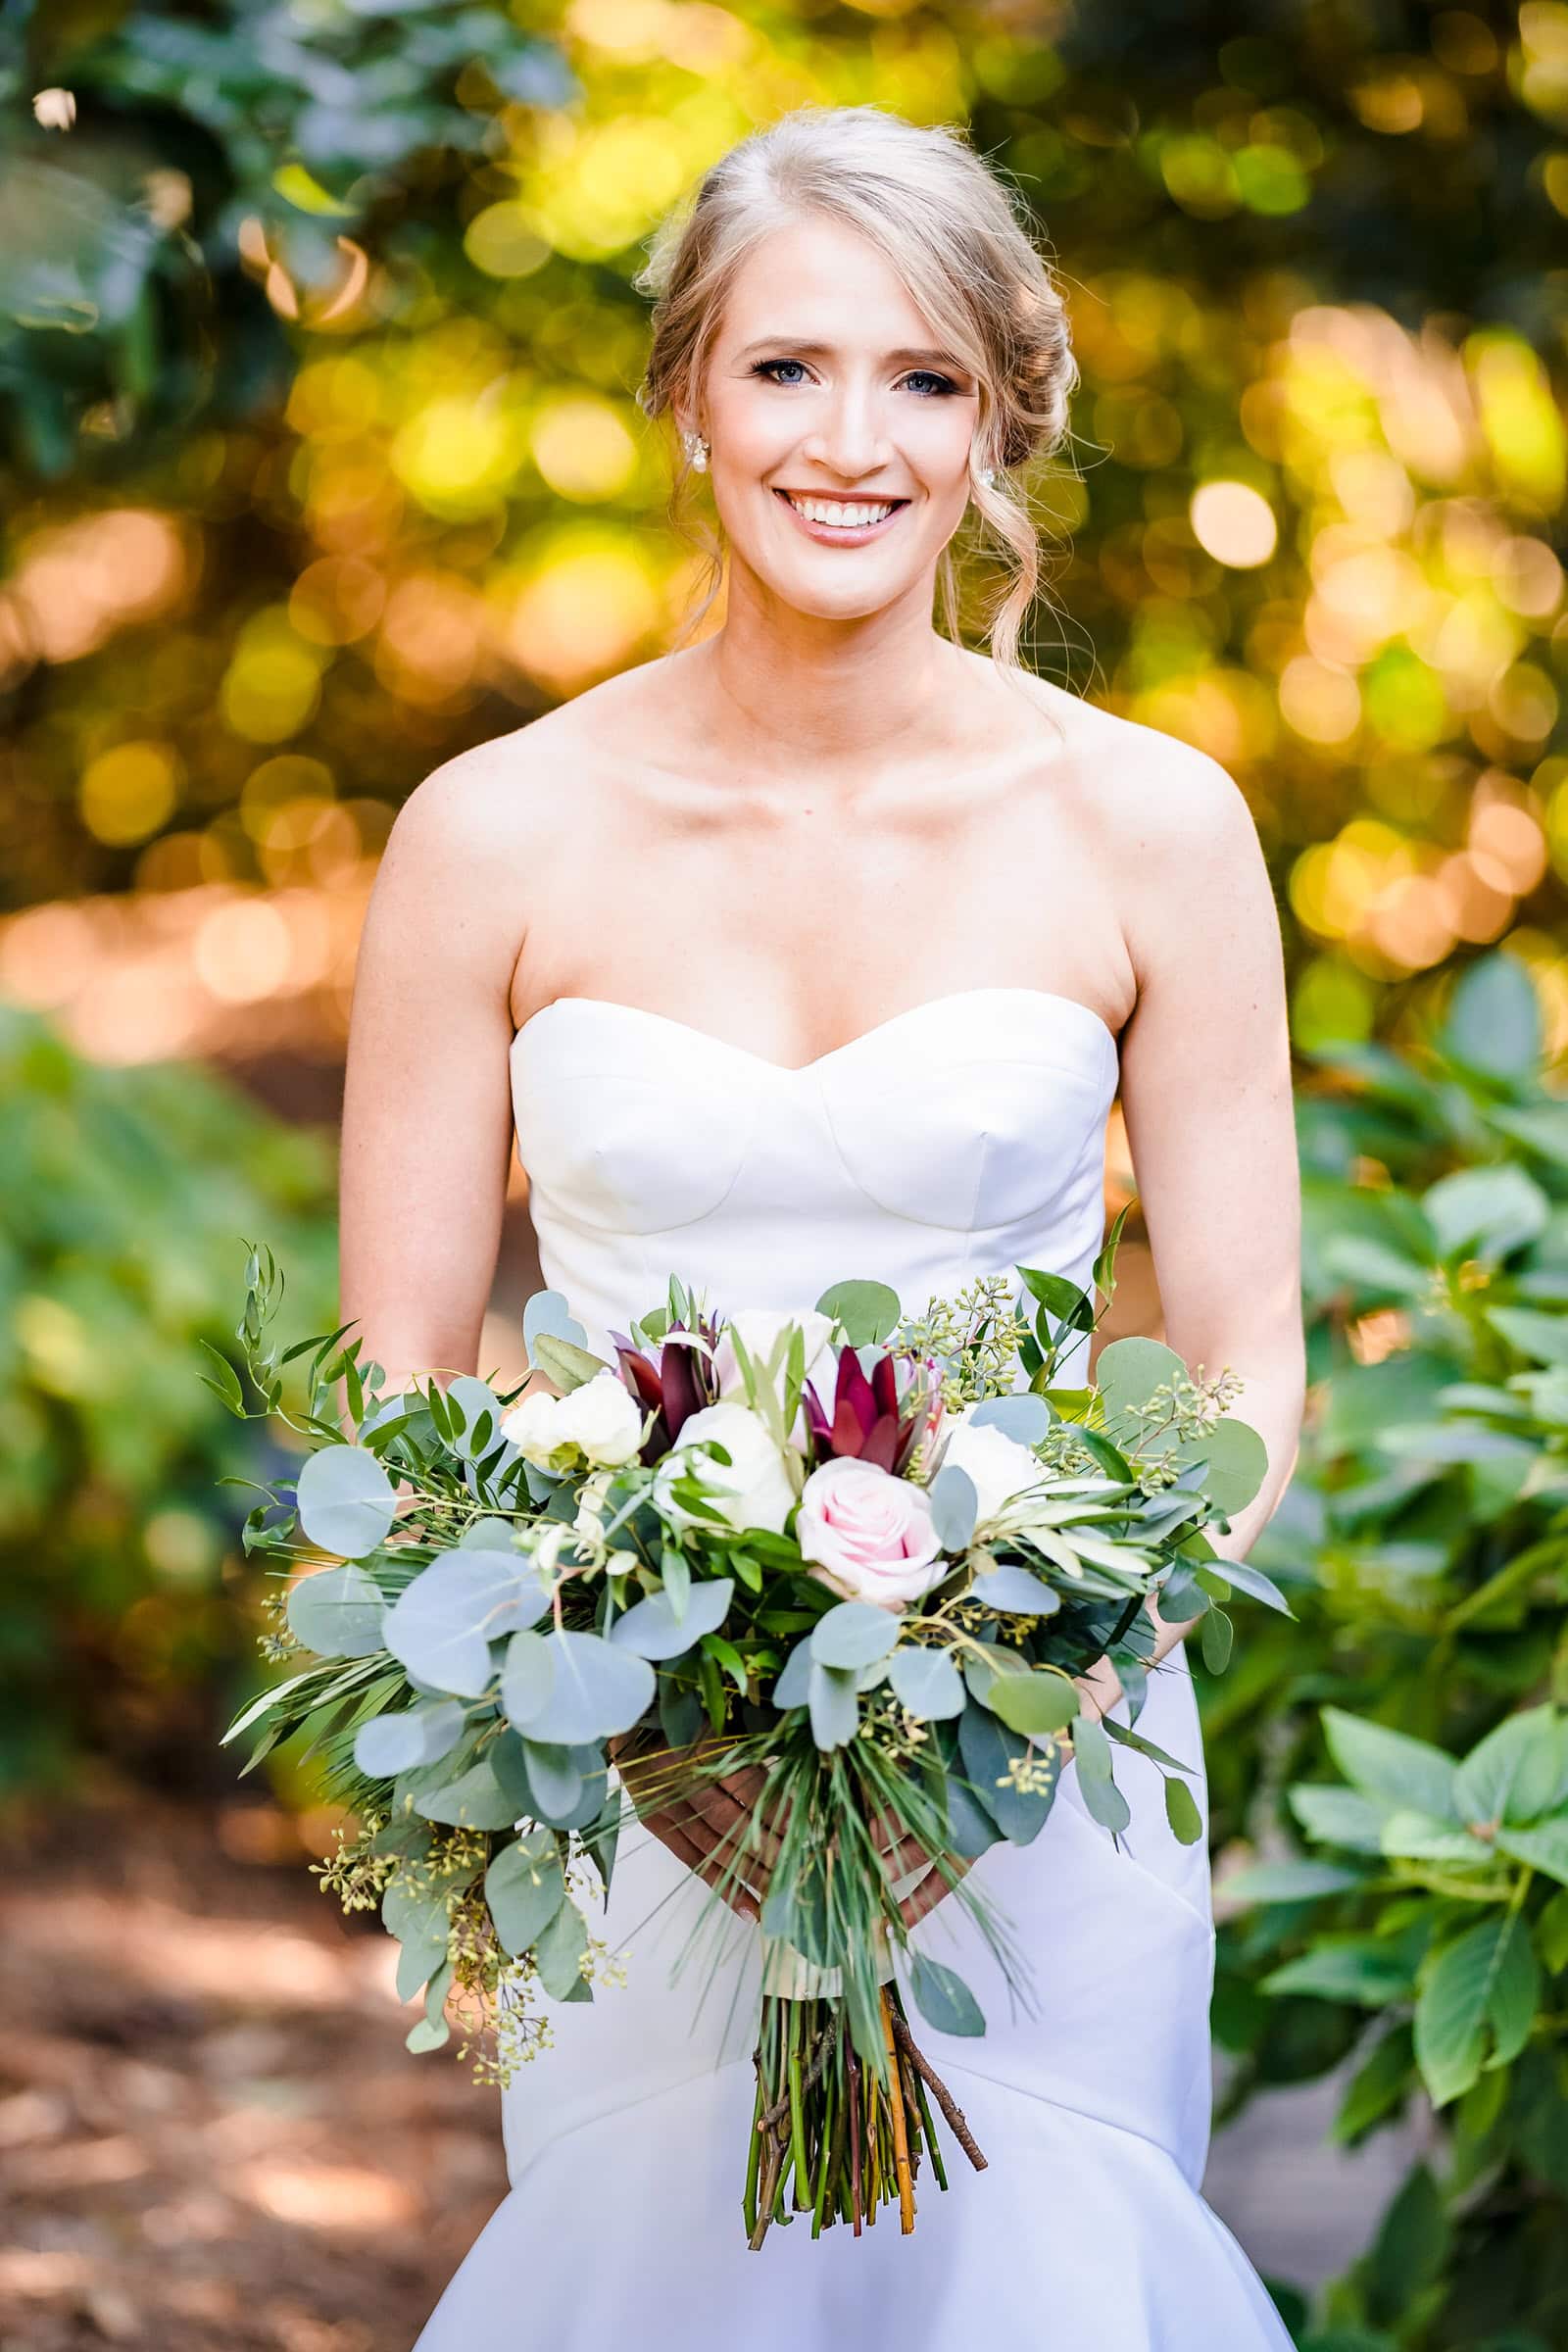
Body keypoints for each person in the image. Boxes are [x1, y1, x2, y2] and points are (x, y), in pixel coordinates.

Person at [339, 102, 1305, 2351]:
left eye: (920, 379)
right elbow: (398, 1375)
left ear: (997, 422)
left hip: (1040, 1783)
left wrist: (1020, 1693)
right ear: (685, 397)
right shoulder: (488, 835)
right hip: (629, 1791)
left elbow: (1246, 1359)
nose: (846, 441)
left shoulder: (1151, 828)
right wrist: (641, 1728)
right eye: (783, 368)